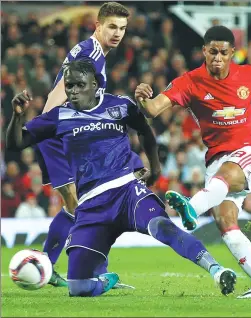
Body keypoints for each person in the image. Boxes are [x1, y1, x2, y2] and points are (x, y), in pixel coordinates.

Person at [7, 59, 237, 297]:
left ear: (94, 84)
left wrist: (155, 169)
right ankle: (106, 280)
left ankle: (217, 270)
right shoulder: (59, 116)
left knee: (162, 226)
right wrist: (17, 116)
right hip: (90, 206)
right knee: (78, 288)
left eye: (79, 85)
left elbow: (145, 131)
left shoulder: (119, 105)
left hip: (126, 190)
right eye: (69, 86)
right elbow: (16, 143)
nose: (73, 91)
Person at [134, 25, 251, 298]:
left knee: (225, 175)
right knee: (226, 223)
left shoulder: (249, 75)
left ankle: (192, 209)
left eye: (223, 52)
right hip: (217, 158)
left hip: (249, 153)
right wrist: (142, 98)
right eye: (212, 52)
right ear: (204, 52)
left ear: (232, 52)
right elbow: (152, 109)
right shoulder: (189, 82)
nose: (218, 57)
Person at [35, 2, 145, 287]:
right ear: (98, 26)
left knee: (80, 205)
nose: (118, 33)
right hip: (61, 137)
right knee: (83, 206)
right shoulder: (90, 54)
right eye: (111, 27)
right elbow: (54, 101)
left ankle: (51, 267)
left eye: (122, 28)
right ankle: (82, 270)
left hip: (70, 137)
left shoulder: (94, 54)